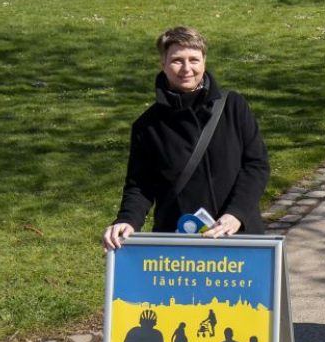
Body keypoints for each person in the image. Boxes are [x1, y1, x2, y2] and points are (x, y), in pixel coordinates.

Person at [103, 27, 270, 250]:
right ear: (163, 63)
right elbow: (140, 186)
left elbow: (256, 165)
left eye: (194, 60)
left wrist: (236, 214)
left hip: (238, 236)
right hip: (179, 244)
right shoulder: (147, 126)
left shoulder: (233, 106)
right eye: (177, 60)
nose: (186, 68)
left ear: (204, 62)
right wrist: (127, 220)